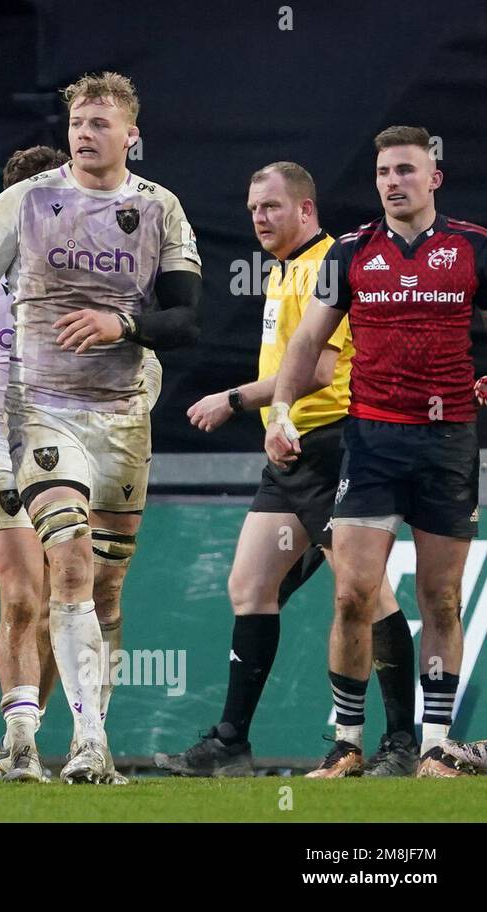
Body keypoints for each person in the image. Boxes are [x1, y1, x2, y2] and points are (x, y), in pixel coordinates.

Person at [0, 72, 202, 784]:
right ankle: (78, 742)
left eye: (101, 123)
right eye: (78, 121)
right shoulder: (25, 201)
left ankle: (71, 736)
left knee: (104, 587)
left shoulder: (160, 208)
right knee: (58, 567)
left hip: (123, 422)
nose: (85, 133)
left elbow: (186, 321)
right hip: (38, 413)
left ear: (131, 134)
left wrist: (123, 323)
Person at [155, 162, 417, 778]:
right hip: (292, 449)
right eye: (252, 209)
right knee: (250, 585)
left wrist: (235, 399)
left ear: (306, 209)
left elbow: (322, 371)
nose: (259, 218)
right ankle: (231, 742)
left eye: (272, 207)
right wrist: (272, 418)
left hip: (336, 447)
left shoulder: (331, 265)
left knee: (366, 592)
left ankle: (401, 744)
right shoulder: (284, 270)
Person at [266, 125, 487, 778]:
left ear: (433, 179)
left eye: (406, 170)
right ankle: (346, 744)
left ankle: (437, 745)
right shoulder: (353, 251)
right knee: (352, 594)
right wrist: (280, 409)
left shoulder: (472, 247)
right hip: (371, 443)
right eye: (384, 172)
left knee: (440, 600)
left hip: (448, 444)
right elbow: (307, 341)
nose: (393, 182)